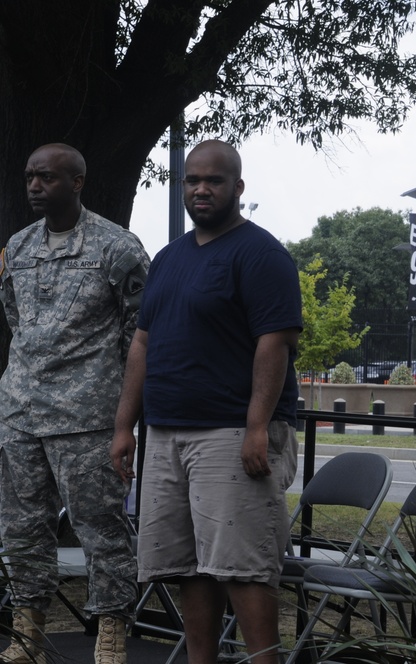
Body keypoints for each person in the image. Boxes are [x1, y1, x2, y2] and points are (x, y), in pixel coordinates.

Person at [111, 140, 302, 664]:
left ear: (237, 187)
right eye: (191, 180)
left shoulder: (261, 254)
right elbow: (143, 344)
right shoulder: (170, 257)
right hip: (167, 432)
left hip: (230, 434)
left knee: (243, 566)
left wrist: (257, 426)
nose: (200, 189)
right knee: (188, 566)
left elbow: (274, 343)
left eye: (213, 181)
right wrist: (125, 427)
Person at [0, 143, 148, 664]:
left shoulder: (116, 247)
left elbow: (139, 334)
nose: (35, 186)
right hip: (21, 414)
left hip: (87, 419)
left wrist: (121, 413)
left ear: (78, 182)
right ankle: (28, 629)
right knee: (20, 527)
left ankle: (110, 631)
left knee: (101, 528)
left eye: (47, 178)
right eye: (29, 177)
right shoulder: (16, 247)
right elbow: (17, 319)